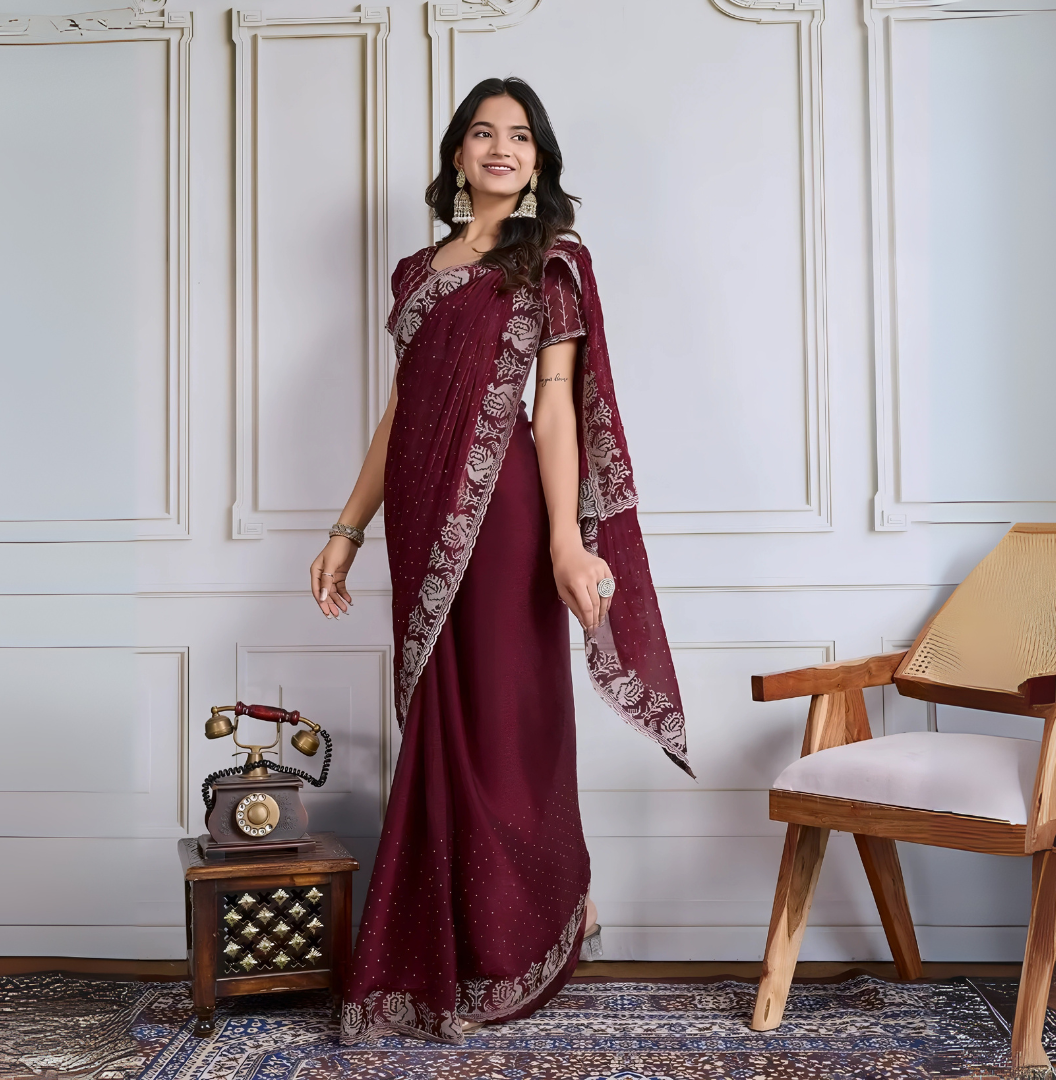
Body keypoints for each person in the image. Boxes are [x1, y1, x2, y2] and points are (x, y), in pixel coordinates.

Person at [310, 76, 692, 1045]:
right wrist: (347, 528)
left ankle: (549, 908)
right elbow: (402, 411)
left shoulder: (550, 260)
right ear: (457, 154)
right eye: (483, 133)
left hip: (504, 509)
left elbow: (554, 407)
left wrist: (566, 539)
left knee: (510, 715)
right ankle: (461, 933)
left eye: (519, 136)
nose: (499, 148)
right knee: (442, 723)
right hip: (417, 518)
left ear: (538, 159)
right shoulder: (415, 271)